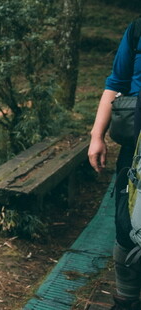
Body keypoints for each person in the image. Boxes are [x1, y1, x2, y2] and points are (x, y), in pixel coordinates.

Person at [89, 19, 141, 310]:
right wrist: (97, 136)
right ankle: (125, 300)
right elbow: (116, 84)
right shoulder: (137, 31)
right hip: (135, 149)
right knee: (126, 224)